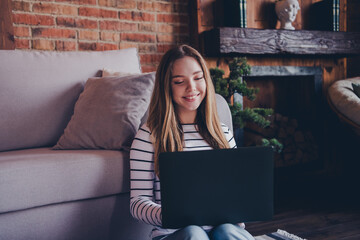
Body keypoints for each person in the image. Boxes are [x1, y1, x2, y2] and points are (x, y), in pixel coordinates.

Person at [129, 44, 255, 240]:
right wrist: (169, 215)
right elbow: (137, 202)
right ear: (166, 86)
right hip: (175, 234)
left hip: (221, 230)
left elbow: (236, 193)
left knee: (227, 231)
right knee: (194, 233)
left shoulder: (223, 133)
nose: (192, 88)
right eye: (179, 81)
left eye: (198, 78)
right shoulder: (148, 136)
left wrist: (238, 213)